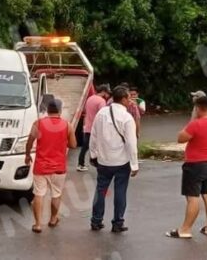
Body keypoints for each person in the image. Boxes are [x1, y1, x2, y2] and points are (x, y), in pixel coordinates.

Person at [166, 95, 207, 239]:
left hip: (194, 164)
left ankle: (185, 229)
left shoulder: (195, 124)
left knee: (193, 198)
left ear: (197, 108)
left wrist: (193, 119)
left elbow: (180, 138)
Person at [88, 86, 139, 233]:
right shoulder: (127, 118)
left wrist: (93, 155)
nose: (130, 101)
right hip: (122, 162)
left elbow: (94, 135)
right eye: (129, 98)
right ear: (123, 99)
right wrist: (134, 164)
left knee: (101, 191)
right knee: (120, 191)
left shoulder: (101, 113)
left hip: (103, 161)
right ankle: (118, 223)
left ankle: (96, 221)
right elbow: (131, 142)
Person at [25, 98, 77, 232]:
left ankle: (37, 224)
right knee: (56, 194)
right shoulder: (67, 125)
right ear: (60, 110)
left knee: (38, 194)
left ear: (47, 110)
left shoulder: (38, 124)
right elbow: (73, 145)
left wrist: (27, 155)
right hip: (59, 167)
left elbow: (30, 141)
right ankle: (53, 219)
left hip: (41, 166)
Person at [78, 84, 110, 172]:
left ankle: (81, 163)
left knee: (85, 146)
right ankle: (96, 162)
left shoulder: (90, 98)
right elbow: (103, 115)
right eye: (107, 93)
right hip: (96, 128)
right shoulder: (101, 101)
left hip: (88, 126)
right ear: (103, 92)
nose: (107, 95)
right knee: (99, 146)